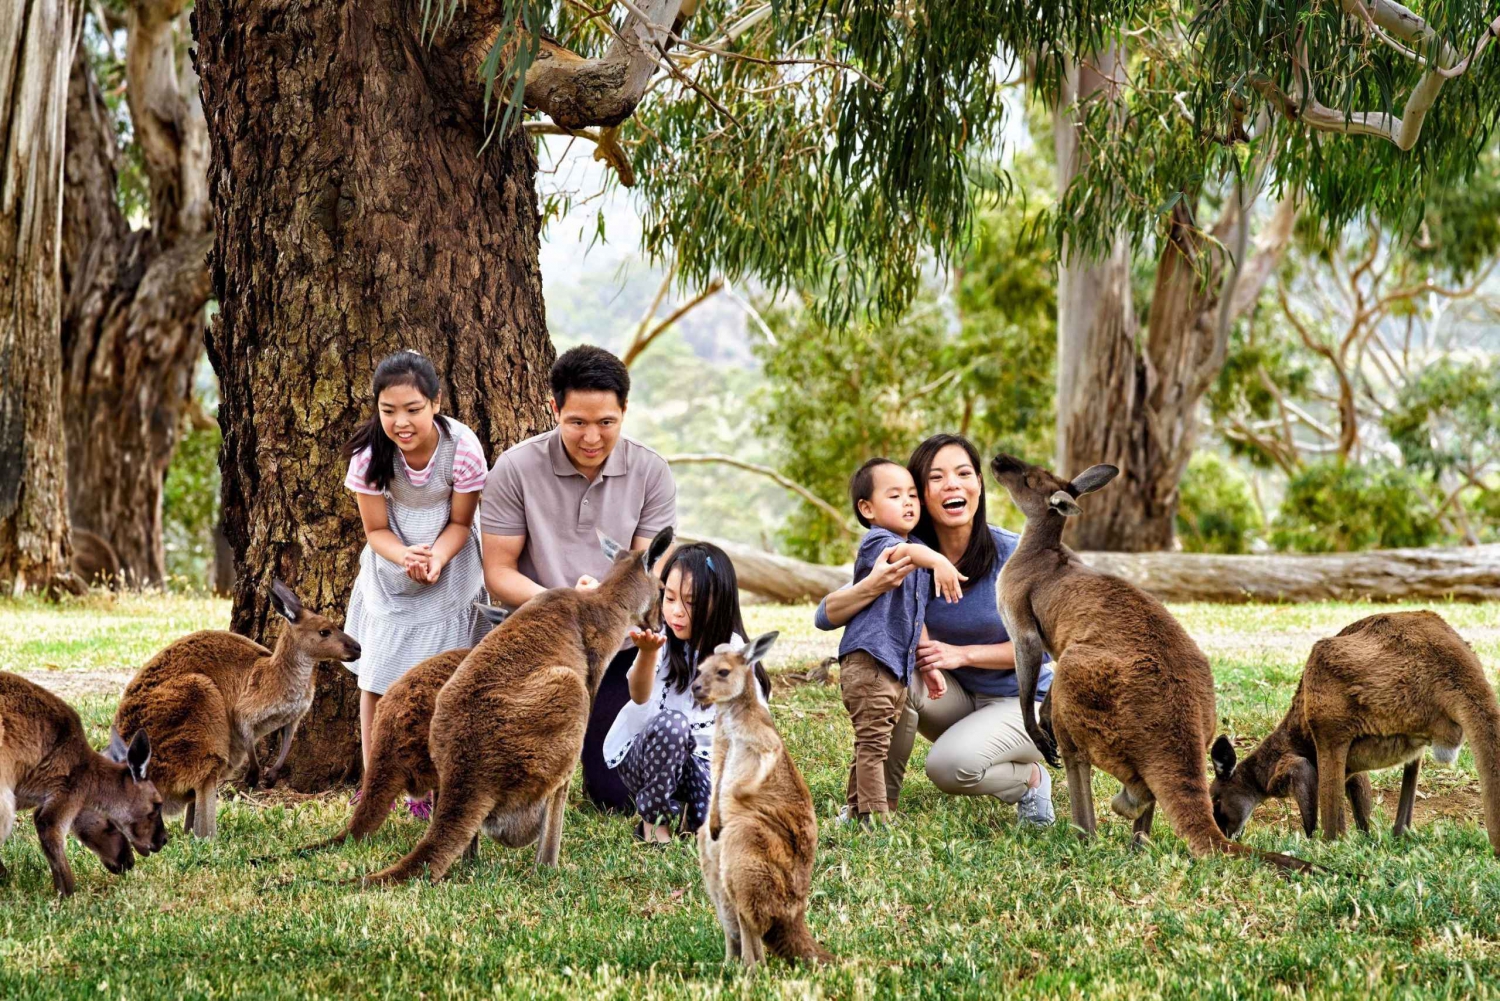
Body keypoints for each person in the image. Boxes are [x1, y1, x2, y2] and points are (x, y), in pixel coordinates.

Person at [816, 434, 1055, 826]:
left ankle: (1030, 779)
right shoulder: (908, 551)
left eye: (963, 474)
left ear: (979, 484)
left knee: (948, 767)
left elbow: (1044, 648)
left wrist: (962, 655)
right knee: (890, 672)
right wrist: (872, 586)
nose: (952, 485)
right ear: (921, 495)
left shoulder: (1015, 553)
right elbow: (825, 615)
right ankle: (873, 809)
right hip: (953, 698)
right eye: (936, 477)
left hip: (1026, 703)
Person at [479, 344, 676, 810]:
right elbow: (498, 573)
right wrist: (569, 603)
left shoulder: (651, 472)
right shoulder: (515, 469)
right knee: (521, 782)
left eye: (606, 422)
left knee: (616, 796)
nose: (592, 437)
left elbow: (651, 576)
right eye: (577, 422)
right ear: (554, 409)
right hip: (540, 652)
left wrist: (604, 607)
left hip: (619, 652)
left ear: (624, 410)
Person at [343, 350, 491, 818]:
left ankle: (428, 787)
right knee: (378, 677)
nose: (401, 422)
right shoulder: (370, 456)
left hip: (450, 563)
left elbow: (462, 522)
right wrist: (406, 556)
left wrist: (437, 558)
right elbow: (375, 531)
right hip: (392, 566)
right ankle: (375, 783)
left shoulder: (462, 448)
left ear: (436, 402)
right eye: (388, 411)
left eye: (413, 409)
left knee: (440, 681)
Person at [603, 542, 770, 843]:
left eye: (691, 602)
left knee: (718, 827)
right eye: (669, 597)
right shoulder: (661, 640)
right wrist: (647, 654)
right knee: (673, 724)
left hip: (703, 762)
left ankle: (690, 815)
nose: (676, 611)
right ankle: (654, 823)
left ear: (719, 603)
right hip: (647, 756)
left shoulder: (734, 655)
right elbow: (638, 695)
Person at [835, 458, 965, 825]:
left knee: (874, 741)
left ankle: (856, 812)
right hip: (870, 663)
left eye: (912, 495)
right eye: (894, 496)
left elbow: (916, 616)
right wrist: (938, 561)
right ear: (867, 509)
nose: (908, 502)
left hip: (894, 668)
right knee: (874, 745)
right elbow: (905, 554)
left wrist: (929, 667)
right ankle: (875, 819)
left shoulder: (916, 546)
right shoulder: (879, 542)